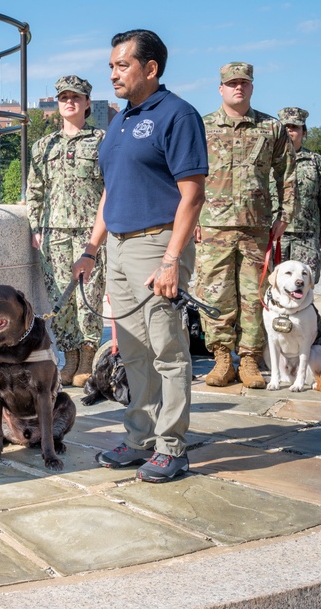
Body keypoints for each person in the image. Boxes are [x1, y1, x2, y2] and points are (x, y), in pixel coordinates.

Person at [73, 29, 207, 483]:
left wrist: (171, 259)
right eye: (111, 65)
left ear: (150, 68)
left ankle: (172, 446)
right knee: (131, 351)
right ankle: (140, 438)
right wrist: (92, 248)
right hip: (119, 246)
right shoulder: (120, 120)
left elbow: (192, 194)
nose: (113, 73)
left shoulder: (177, 115)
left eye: (122, 65)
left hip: (157, 243)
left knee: (167, 349)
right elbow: (111, 191)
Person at [195, 62, 296, 389]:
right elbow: (184, 175)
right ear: (221, 88)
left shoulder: (271, 128)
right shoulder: (202, 126)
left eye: (244, 83)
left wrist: (285, 215)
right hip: (212, 227)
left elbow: (287, 174)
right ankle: (223, 357)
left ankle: (250, 358)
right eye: (232, 83)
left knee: (255, 296)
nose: (238, 88)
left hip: (256, 228)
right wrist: (189, 218)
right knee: (215, 295)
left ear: (252, 87)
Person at [26, 75, 106, 388]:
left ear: (87, 103)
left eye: (76, 97)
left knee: (89, 294)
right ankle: (69, 355)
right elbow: (35, 189)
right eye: (63, 97)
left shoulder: (101, 140)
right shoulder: (43, 146)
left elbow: (110, 189)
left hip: (90, 231)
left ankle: (87, 355)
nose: (69, 102)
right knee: (60, 295)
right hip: (54, 231)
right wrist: (35, 226)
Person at [277, 107, 321, 284]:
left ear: (304, 132)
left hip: (307, 234)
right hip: (275, 234)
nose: (290, 131)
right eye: (285, 126)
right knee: (272, 284)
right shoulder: (269, 160)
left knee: (305, 286)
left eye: (295, 127)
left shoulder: (317, 162)